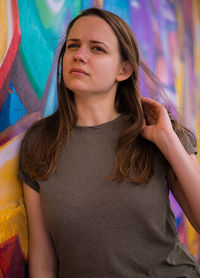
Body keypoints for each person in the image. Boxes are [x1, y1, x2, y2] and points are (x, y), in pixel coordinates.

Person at [18, 7, 200, 278]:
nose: (79, 55)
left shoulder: (156, 131)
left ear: (123, 70)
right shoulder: (40, 142)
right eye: (73, 46)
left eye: (97, 49)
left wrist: (169, 143)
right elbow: (43, 261)